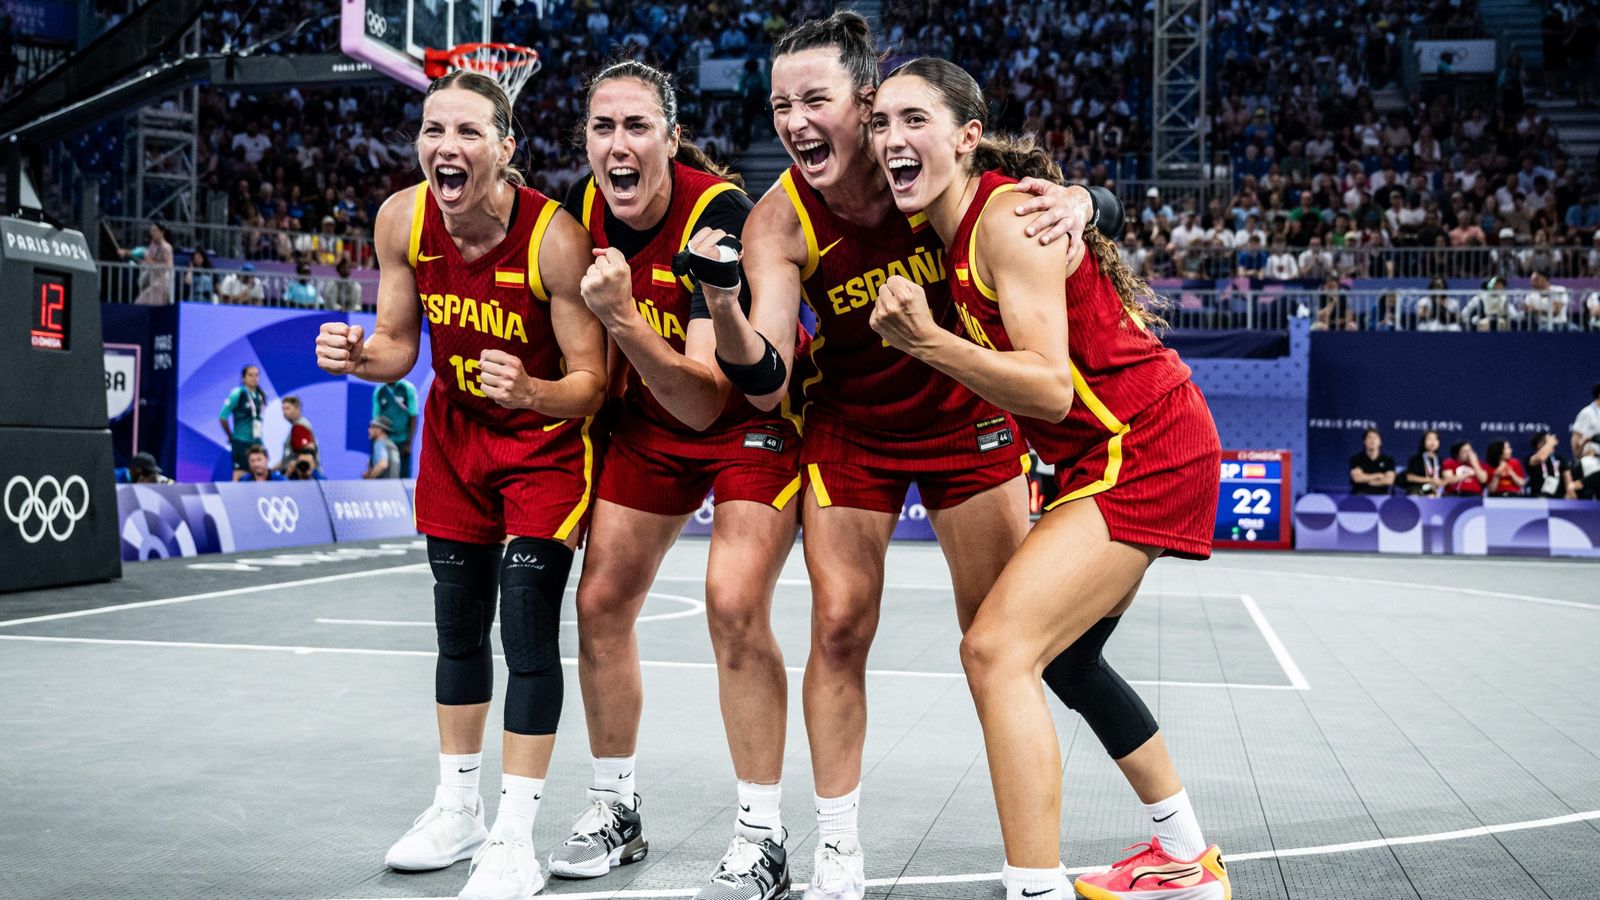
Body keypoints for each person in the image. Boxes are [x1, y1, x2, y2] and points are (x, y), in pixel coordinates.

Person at [707, 15, 1101, 899]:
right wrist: (725, 311)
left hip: (969, 415)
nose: (797, 121)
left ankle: (1034, 865)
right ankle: (837, 848)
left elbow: (1039, 198)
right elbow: (765, 380)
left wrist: (1082, 201)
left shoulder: (930, 168)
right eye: (780, 105)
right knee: (839, 626)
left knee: (1001, 644)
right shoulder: (780, 218)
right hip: (851, 427)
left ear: (868, 102)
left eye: (817, 100)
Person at [868, 58, 1229, 900]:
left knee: (996, 651)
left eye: (914, 120)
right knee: (1065, 661)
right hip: (1108, 454)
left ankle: (1035, 889)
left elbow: (1051, 384)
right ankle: (1184, 857)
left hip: (1144, 446)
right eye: (881, 122)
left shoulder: (998, 221)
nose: (892, 138)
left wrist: (925, 343)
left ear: (966, 137)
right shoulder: (958, 227)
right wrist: (1092, 200)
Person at [314, 69, 606, 900]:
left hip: (545, 446)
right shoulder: (401, 218)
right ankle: (457, 808)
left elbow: (592, 383)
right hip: (455, 442)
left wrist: (533, 393)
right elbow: (397, 346)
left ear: (506, 150)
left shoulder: (553, 239)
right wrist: (357, 360)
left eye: (469, 132)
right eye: (433, 130)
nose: (447, 146)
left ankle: (514, 833)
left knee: (525, 633)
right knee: (455, 631)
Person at [548, 60, 801, 900]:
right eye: (602, 128)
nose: (618, 146)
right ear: (586, 140)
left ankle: (762, 835)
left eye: (637, 127)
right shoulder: (579, 214)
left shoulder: (715, 216)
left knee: (733, 603)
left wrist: (621, 317)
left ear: (671, 136)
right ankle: (616, 808)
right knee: (599, 604)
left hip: (743, 421)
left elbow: (703, 400)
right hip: (649, 426)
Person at [218, 364, 267, 481]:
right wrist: (230, 435)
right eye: (250, 375)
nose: (254, 378)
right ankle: (235, 499)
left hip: (257, 441)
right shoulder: (238, 393)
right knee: (239, 473)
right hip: (241, 441)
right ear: (243, 378)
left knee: (258, 472)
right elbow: (222, 416)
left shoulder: (260, 395)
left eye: (256, 375)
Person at [373, 378, 420, 478]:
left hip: (403, 442)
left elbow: (414, 416)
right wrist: (378, 444)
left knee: (403, 476)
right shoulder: (379, 392)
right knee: (384, 478)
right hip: (386, 443)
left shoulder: (407, 388)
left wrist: (409, 444)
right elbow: (376, 421)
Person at [121, 220, 174, 306]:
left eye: (155, 230)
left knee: (146, 307)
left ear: (162, 232)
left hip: (161, 284)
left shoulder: (167, 248)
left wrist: (151, 262)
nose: (152, 233)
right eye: (151, 230)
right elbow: (147, 259)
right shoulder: (152, 245)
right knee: (140, 304)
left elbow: (168, 266)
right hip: (150, 282)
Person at [1526, 432, 1577, 499]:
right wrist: (1550, 442)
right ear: (1539, 445)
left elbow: (1567, 477)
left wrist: (1570, 493)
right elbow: (1541, 457)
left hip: (1559, 498)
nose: (1553, 445)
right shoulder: (1531, 458)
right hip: (1539, 498)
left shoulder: (1559, 458)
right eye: (1547, 442)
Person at [1349, 428, 1396, 494]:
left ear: (1380, 442)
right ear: (1364, 441)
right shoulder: (1356, 459)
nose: (1372, 441)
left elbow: (1389, 480)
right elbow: (1357, 478)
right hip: (1360, 495)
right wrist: (1378, 475)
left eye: (1375, 438)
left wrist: (1369, 482)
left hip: (1381, 496)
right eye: (1369, 437)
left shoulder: (1388, 460)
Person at [277, 395, 317, 474]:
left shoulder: (299, 427)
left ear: (297, 409)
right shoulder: (295, 427)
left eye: (287, 408)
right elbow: (289, 459)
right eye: (283, 409)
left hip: (301, 477)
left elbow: (308, 452)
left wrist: (287, 475)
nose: (284, 412)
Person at [1403, 430, 1447, 497]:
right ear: (1423, 442)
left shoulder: (1443, 460)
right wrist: (1430, 480)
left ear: (1439, 443)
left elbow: (1445, 478)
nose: (1432, 442)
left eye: (1435, 439)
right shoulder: (1416, 459)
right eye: (1429, 439)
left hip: (1438, 489)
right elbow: (1410, 477)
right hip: (1420, 488)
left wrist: (1442, 482)